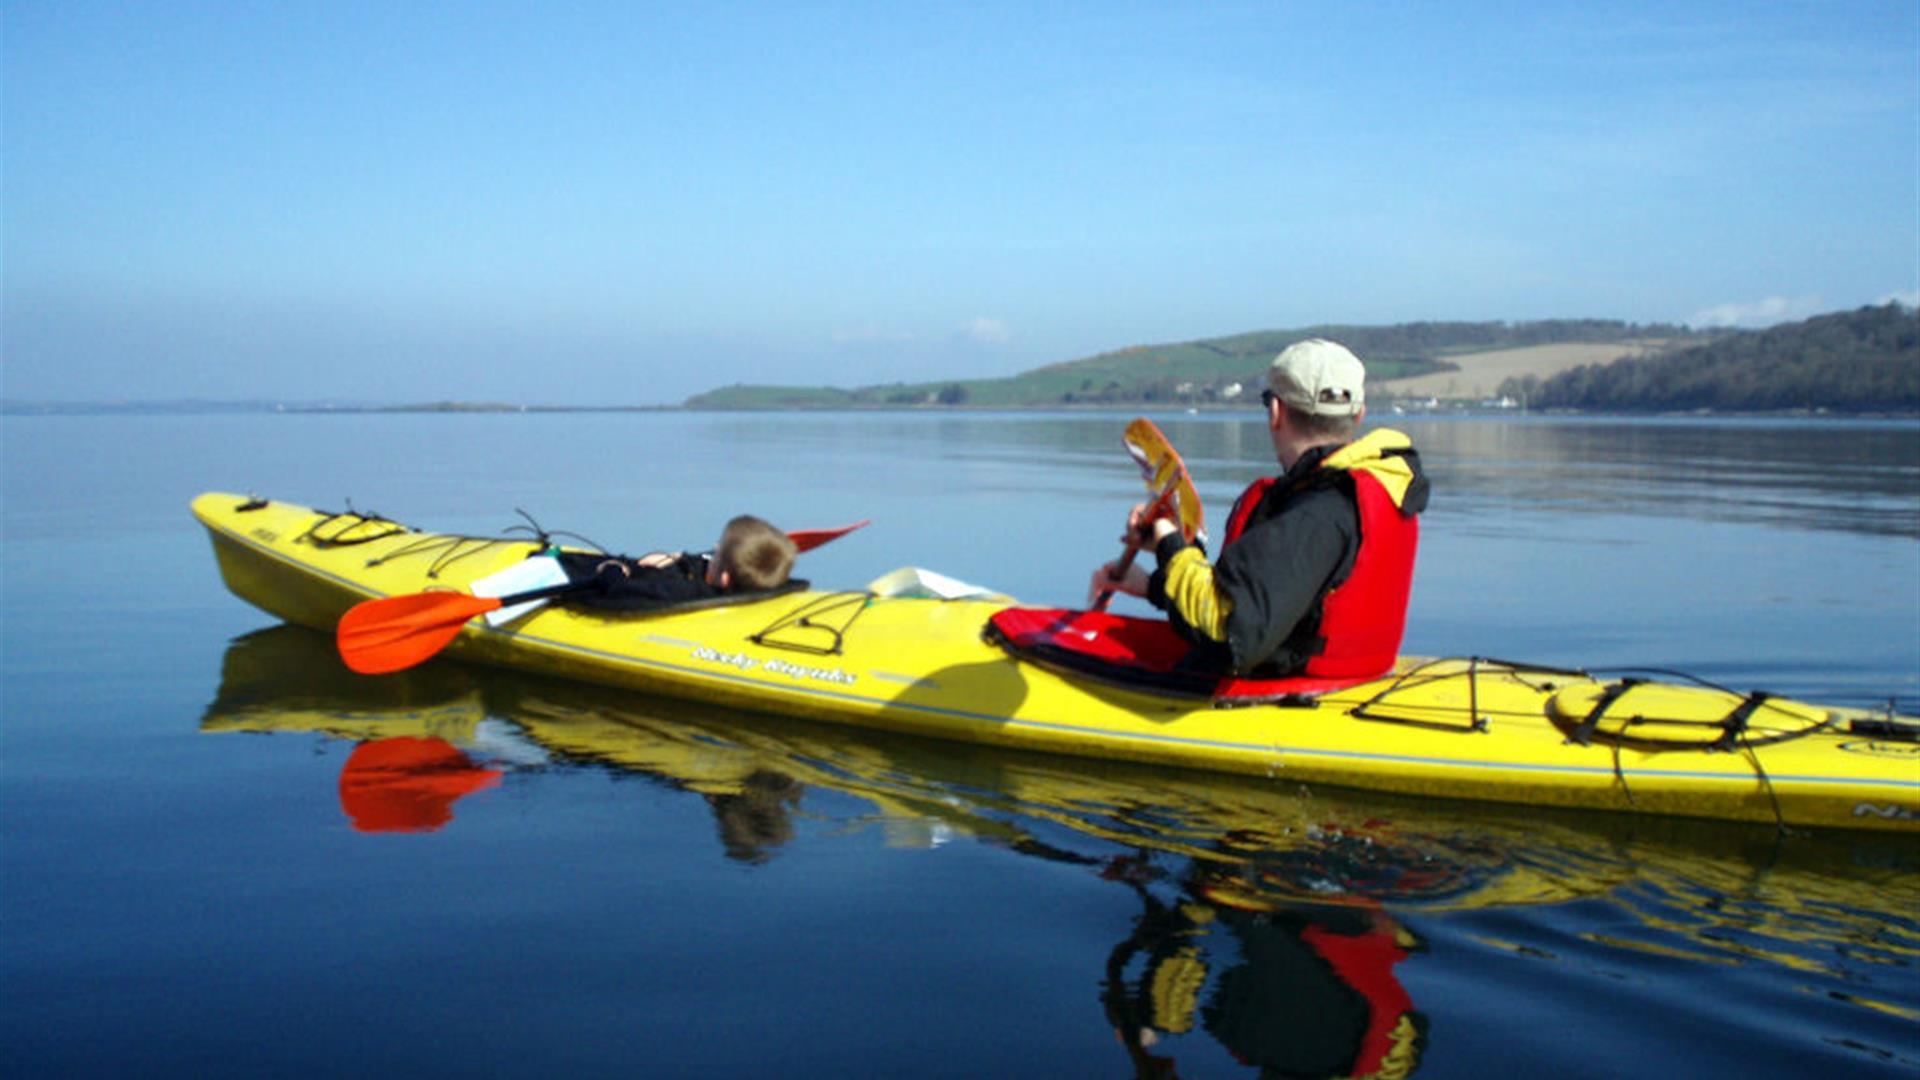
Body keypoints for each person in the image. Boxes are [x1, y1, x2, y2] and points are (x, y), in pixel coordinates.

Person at [1092, 339, 1429, 678]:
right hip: (1354, 679)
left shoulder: (1316, 513)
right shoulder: (1378, 485)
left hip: (1288, 695)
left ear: (1275, 412)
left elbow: (1229, 632)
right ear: (1359, 416)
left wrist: (1168, 540)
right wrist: (1158, 581)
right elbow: (1282, 606)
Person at [590, 514, 798, 604]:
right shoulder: (763, 584)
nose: (713, 548)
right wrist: (678, 558)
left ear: (725, 579)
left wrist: (612, 568)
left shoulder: (676, 590)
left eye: (718, 551)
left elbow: (621, 589)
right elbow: (707, 565)